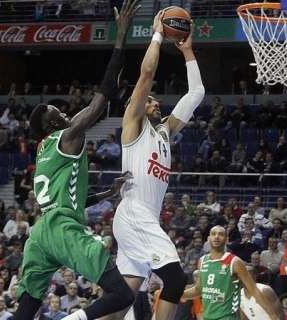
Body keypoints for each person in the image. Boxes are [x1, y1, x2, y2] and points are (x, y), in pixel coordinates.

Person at [13, 2, 140, 320]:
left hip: (40, 233)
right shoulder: (67, 136)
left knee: (26, 310)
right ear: (52, 125)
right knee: (122, 293)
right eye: (59, 113)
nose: (65, 112)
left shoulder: (44, 151)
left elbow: (68, 197)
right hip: (60, 230)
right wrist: (120, 39)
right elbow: (102, 99)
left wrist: (105, 195)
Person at [107, 10, 206, 320]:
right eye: (149, 100)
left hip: (143, 219)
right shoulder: (132, 125)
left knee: (120, 299)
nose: (155, 102)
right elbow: (146, 75)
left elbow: (196, 93)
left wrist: (188, 50)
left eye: (154, 101)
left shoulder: (165, 131)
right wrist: (157, 34)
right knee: (175, 280)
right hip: (135, 214)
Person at [181, 226, 282, 320]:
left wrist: (272, 315)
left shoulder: (235, 262)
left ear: (226, 239)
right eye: (213, 234)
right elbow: (199, 289)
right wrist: (179, 294)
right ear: (208, 238)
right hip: (207, 317)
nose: (216, 236)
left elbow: (254, 290)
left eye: (221, 234)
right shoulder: (202, 261)